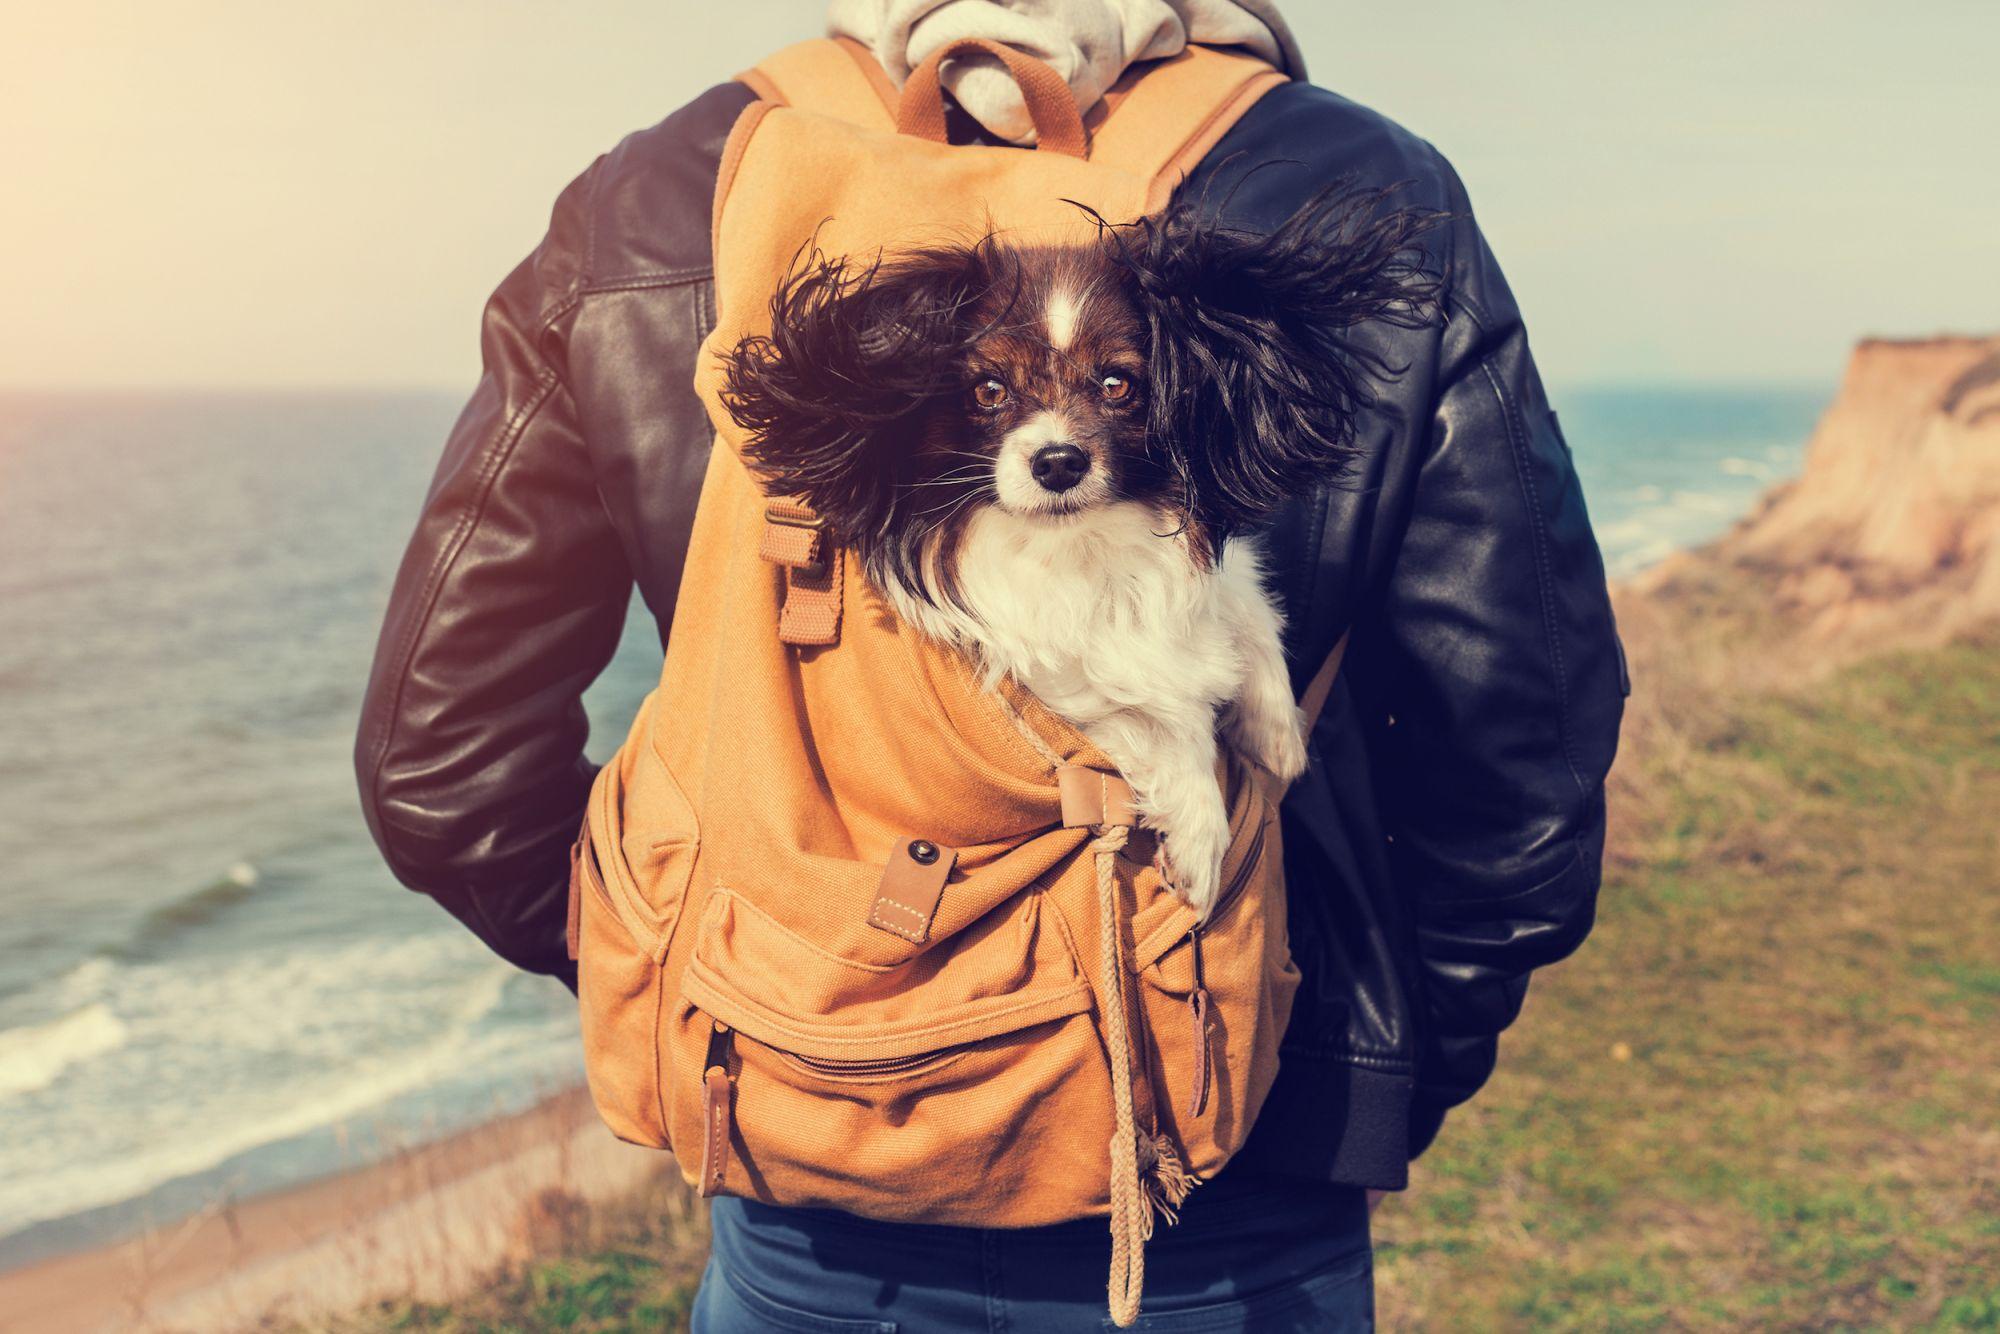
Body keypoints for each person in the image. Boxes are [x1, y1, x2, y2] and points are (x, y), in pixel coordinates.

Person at [356, 2, 1626, 1328]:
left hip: (811, 1180)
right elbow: (1520, 746)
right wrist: (1346, 1079)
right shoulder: (1367, 190)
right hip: (1228, 1188)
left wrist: (738, 987)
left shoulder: (654, 198)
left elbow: (436, 766)